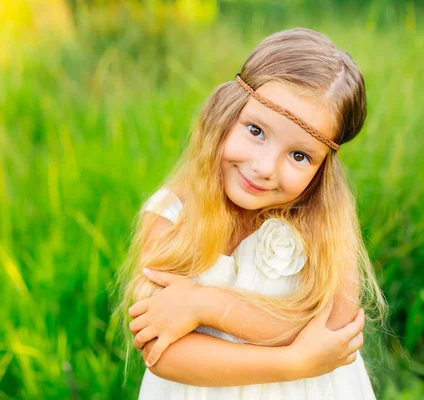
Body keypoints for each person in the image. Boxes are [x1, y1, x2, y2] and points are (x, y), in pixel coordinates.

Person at [118, 27, 386, 399]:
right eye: (256, 130)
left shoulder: (324, 222)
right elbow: (163, 354)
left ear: (323, 167)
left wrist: (203, 303)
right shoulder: (174, 214)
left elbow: (335, 332)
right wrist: (294, 361)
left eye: (299, 155)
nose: (264, 167)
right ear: (226, 113)